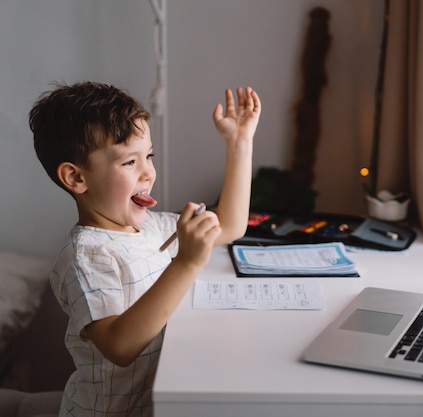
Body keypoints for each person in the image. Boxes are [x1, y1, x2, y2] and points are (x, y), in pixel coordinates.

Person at [28, 81, 261, 417]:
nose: (148, 172)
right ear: (77, 178)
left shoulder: (149, 226)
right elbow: (120, 346)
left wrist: (240, 143)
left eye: (148, 156)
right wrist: (186, 263)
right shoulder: (86, 257)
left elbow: (229, 226)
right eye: (129, 163)